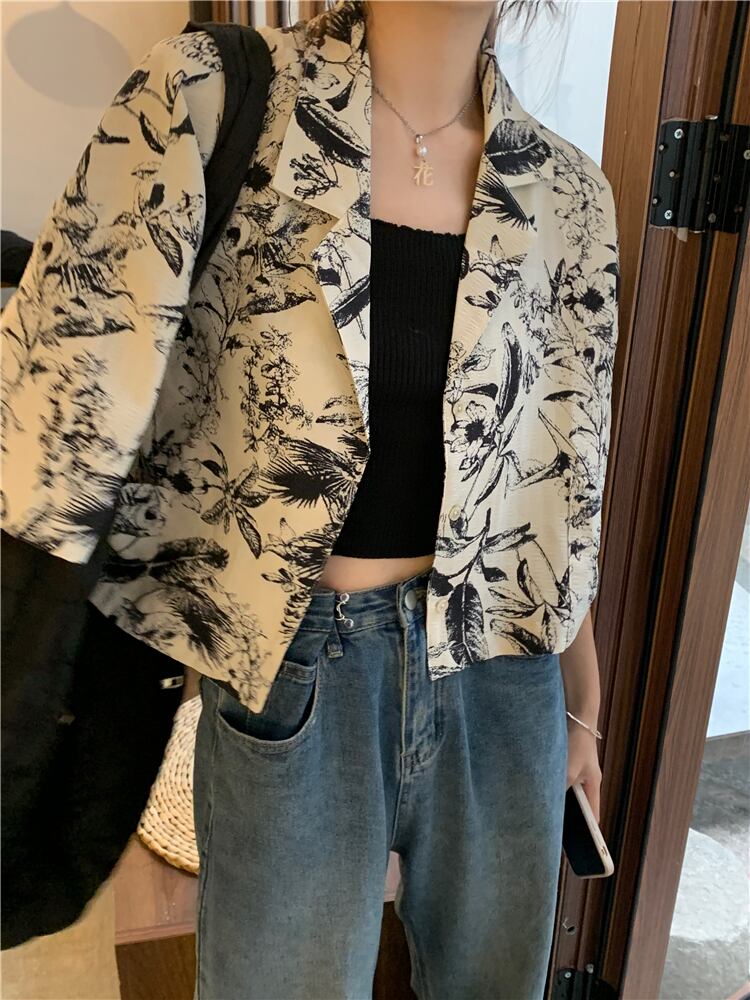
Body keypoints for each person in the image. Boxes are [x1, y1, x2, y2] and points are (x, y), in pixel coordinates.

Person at [1, 0, 618, 996]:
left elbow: (564, 486)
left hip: (506, 675)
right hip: (302, 674)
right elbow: (52, 417)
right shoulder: (208, 101)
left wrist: (583, 704)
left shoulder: (570, 196)